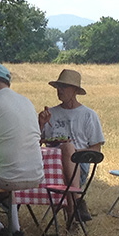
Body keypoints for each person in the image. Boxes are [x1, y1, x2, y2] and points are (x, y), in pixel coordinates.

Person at [0, 63, 44, 236]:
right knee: (6, 174)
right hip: (35, 173)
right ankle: (15, 229)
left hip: (6, 176)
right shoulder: (26, 102)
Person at [38, 69, 105, 220]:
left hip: (79, 166)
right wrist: (41, 124)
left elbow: (96, 150)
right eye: (58, 87)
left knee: (67, 148)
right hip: (51, 168)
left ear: (75, 90)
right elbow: (35, 144)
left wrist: (71, 153)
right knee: (64, 155)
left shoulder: (88, 115)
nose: (59, 90)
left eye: (64, 87)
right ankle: (76, 206)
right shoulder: (50, 113)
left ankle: (71, 212)